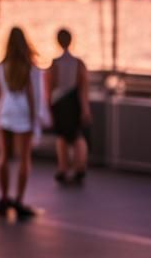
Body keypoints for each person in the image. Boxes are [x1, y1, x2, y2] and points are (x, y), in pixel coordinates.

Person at [0, 27, 47, 220]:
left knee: (4, 157)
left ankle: (3, 197)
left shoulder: (0, 67)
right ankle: (19, 200)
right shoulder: (30, 68)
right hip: (23, 113)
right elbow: (34, 96)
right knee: (24, 159)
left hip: (5, 112)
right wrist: (35, 121)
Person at [47, 28, 91, 184]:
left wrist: (49, 109)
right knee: (77, 136)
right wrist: (85, 109)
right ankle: (80, 167)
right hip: (74, 102)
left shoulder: (55, 63)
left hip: (60, 103)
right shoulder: (78, 63)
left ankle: (63, 168)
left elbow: (49, 87)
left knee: (62, 137)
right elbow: (83, 88)